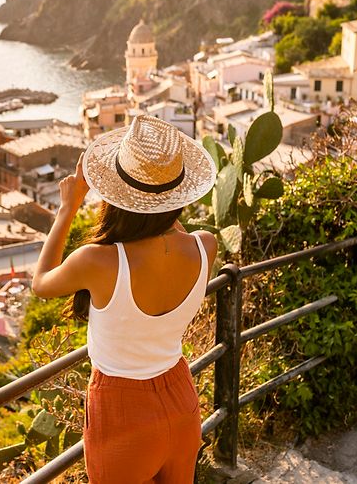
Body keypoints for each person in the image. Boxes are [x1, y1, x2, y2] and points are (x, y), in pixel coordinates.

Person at [32, 115, 218, 483]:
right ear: (179, 194)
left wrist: (68, 207)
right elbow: (166, 224)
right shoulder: (205, 245)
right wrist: (158, 197)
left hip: (121, 412)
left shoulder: (98, 262)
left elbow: (40, 283)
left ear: (117, 196)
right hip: (181, 398)